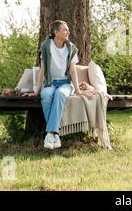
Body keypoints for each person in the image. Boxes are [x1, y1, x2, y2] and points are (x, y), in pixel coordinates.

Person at [34, 20, 92, 150]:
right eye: (65, 29)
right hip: (49, 82)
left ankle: (50, 133)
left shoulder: (71, 48)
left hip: (65, 83)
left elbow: (73, 70)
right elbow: (42, 70)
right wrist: (37, 90)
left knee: (60, 94)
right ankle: (56, 134)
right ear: (56, 32)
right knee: (47, 95)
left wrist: (77, 89)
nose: (68, 32)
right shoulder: (46, 46)